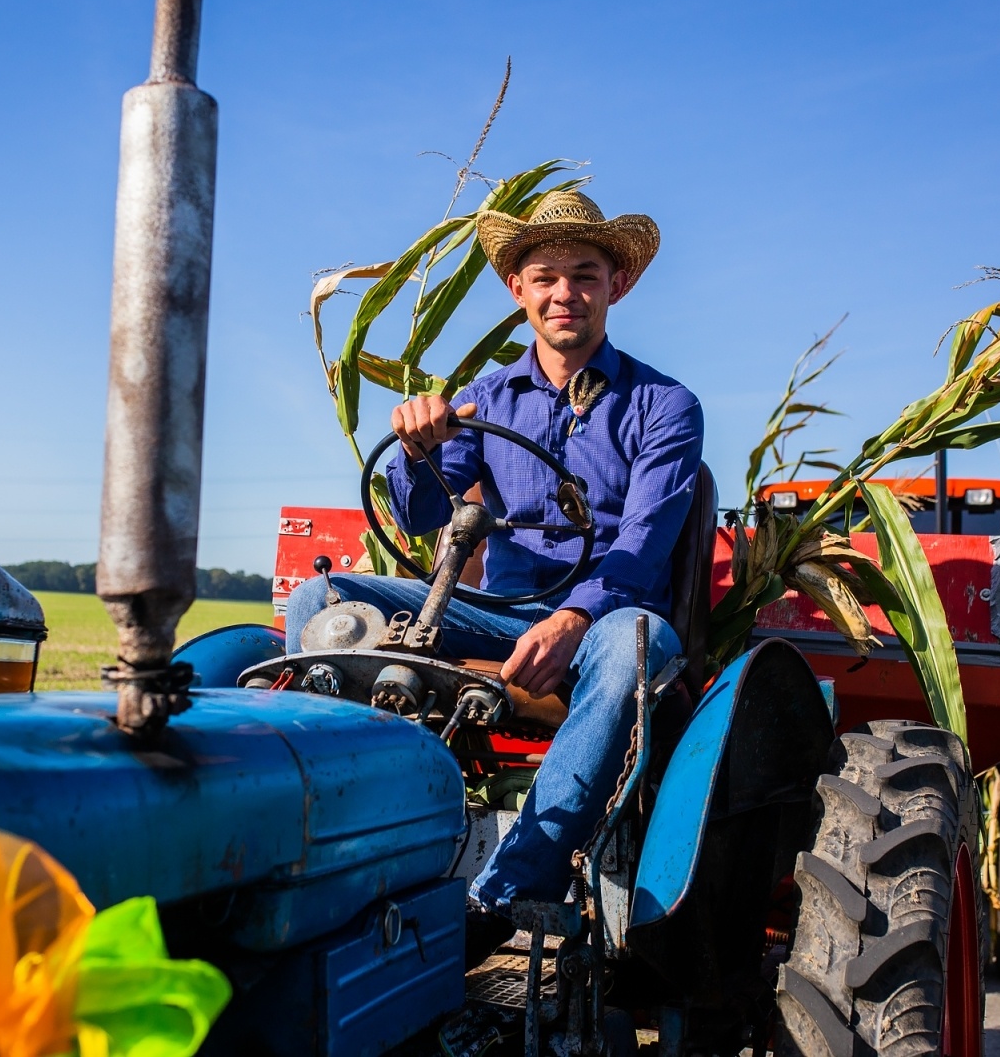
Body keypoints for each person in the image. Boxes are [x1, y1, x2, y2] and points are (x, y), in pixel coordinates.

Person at [282, 191, 702, 967]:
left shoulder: (665, 406)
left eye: (584, 274)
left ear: (619, 284)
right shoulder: (489, 398)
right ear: (518, 289)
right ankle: (332, 840)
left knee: (628, 648)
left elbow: (643, 545)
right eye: (545, 276)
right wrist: (417, 448)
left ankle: (499, 896)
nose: (564, 293)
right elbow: (418, 517)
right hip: (502, 611)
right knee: (320, 599)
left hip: (613, 620)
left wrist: (574, 618)